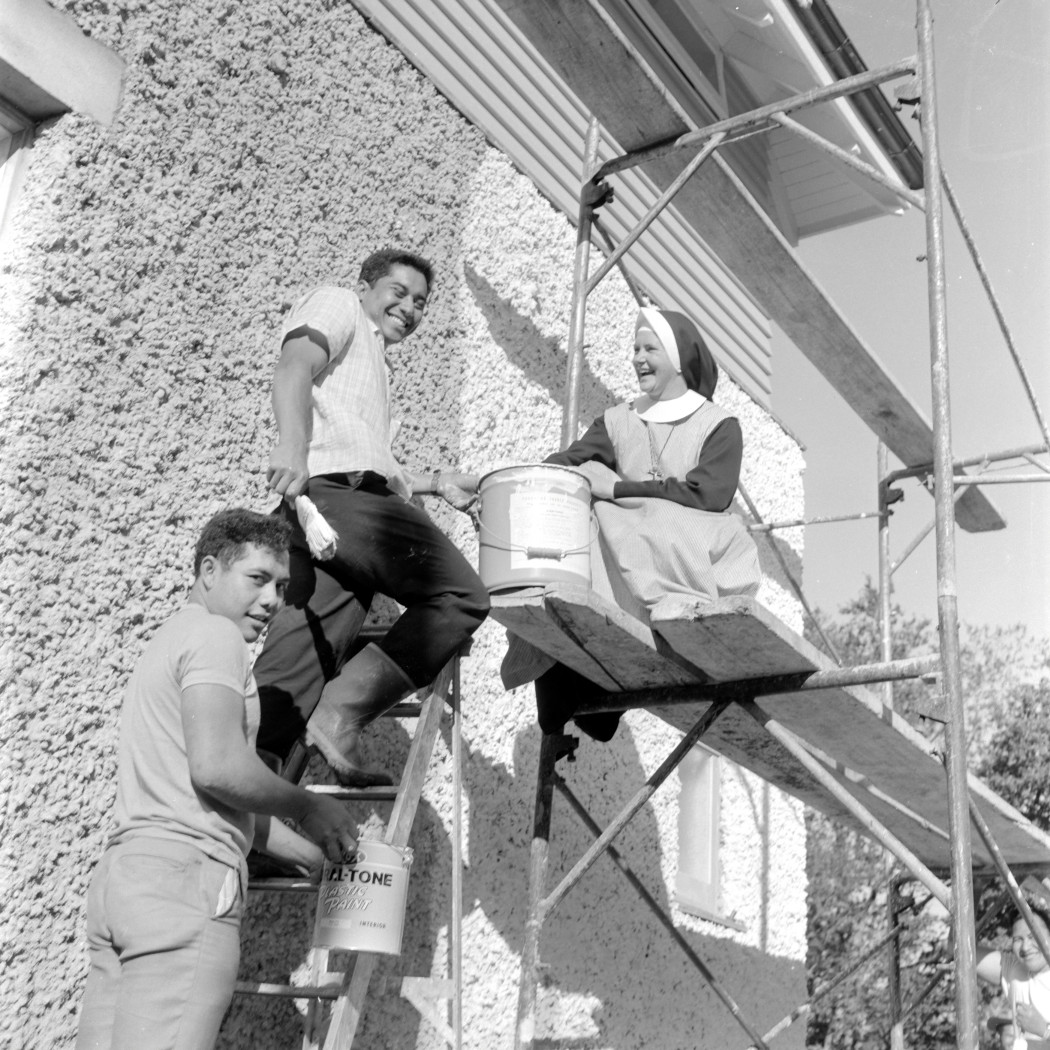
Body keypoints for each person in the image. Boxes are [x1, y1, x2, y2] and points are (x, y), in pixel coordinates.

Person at [76, 509, 360, 1050]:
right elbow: (217, 769)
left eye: (281, 586)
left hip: (127, 880)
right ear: (209, 570)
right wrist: (306, 805)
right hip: (185, 886)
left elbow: (210, 795)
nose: (272, 600)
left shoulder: (170, 638)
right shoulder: (216, 637)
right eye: (257, 579)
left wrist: (311, 857)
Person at [256, 248, 489, 786]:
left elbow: (375, 462)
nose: (410, 308)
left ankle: (249, 807)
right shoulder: (340, 305)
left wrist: (437, 482)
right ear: (365, 288)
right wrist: (290, 443)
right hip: (338, 498)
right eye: (399, 292)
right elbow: (294, 365)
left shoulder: (374, 369)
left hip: (324, 520)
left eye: (421, 303)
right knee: (460, 596)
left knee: (296, 667)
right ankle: (341, 711)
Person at [506, 306, 760, 741]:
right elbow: (568, 462)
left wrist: (619, 489)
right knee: (581, 507)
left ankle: (606, 684)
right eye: (635, 349)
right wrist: (518, 484)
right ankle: (569, 677)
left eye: (649, 349)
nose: (638, 358)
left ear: (678, 358)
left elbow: (709, 495)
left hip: (691, 549)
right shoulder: (618, 419)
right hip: (633, 545)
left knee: (634, 515)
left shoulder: (719, 425)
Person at [977, 902, 1050, 1049]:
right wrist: (974, 891)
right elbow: (959, 948)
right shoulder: (1014, 968)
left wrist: (1044, 1031)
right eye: (1018, 939)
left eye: (1033, 936)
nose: (1025, 947)